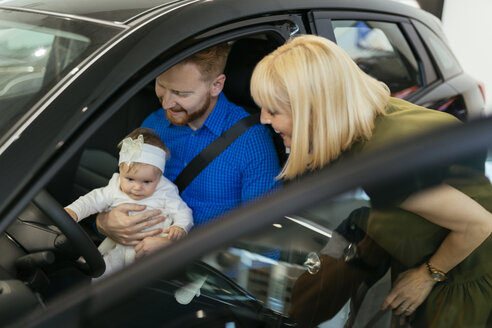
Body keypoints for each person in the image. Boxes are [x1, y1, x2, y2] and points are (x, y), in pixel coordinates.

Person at [250, 34, 492, 327]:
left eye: (273, 111)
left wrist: (428, 274)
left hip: (464, 273)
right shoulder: (375, 115)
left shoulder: (383, 159)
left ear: (314, 109)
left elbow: (479, 224)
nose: (263, 119)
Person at [96, 43, 281, 257]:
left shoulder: (252, 142)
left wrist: (181, 249)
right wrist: (104, 223)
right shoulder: (153, 125)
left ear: (216, 86)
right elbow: (118, 192)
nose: (166, 104)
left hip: (201, 279)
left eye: (180, 93)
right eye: (161, 87)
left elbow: (263, 246)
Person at [66, 127, 193, 277]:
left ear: (159, 177)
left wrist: (180, 226)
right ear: (121, 171)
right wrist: (73, 211)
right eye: (130, 179)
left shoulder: (165, 190)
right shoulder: (115, 187)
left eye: (147, 181)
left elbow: (183, 212)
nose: (137, 187)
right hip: (120, 247)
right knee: (103, 273)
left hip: (153, 246)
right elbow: (92, 200)